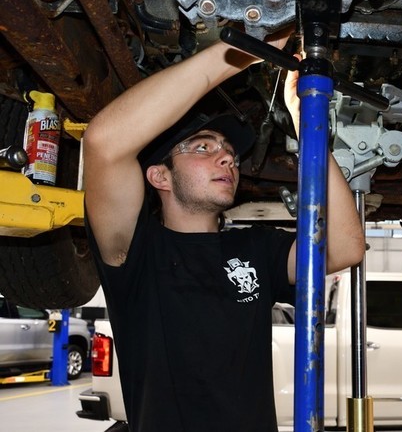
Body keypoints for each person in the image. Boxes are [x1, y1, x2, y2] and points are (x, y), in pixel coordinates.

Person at [82, 31, 365, 432]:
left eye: (230, 155)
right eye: (202, 147)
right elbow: (103, 142)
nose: (227, 158)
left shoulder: (255, 248)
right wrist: (245, 51)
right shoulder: (137, 250)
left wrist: (307, 124)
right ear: (159, 176)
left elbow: (345, 248)